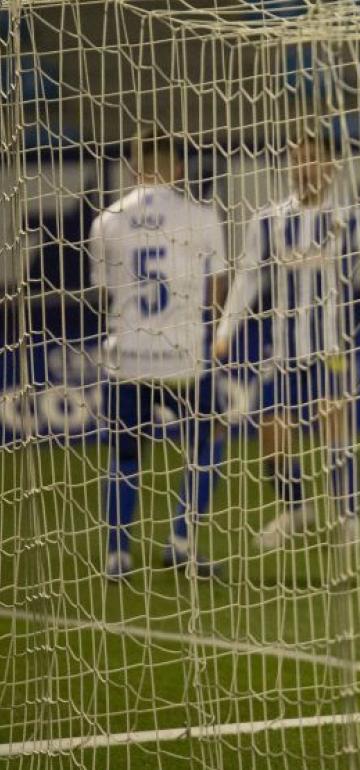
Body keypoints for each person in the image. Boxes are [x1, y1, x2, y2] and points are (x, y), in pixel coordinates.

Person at [213, 126, 360, 552]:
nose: (305, 168)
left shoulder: (351, 219)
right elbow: (247, 278)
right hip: (282, 353)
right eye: (298, 159)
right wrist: (225, 331)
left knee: (334, 430)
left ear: (332, 166)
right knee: (271, 440)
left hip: (332, 349)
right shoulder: (269, 221)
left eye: (314, 158)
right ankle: (297, 508)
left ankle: (348, 519)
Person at [89, 130, 229, 580]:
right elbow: (216, 290)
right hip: (183, 357)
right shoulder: (201, 215)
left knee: (125, 453)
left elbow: (103, 291)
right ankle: (181, 543)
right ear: (180, 169)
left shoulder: (107, 220)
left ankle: (117, 555)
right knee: (208, 440)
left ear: (134, 168)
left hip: (127, 356)